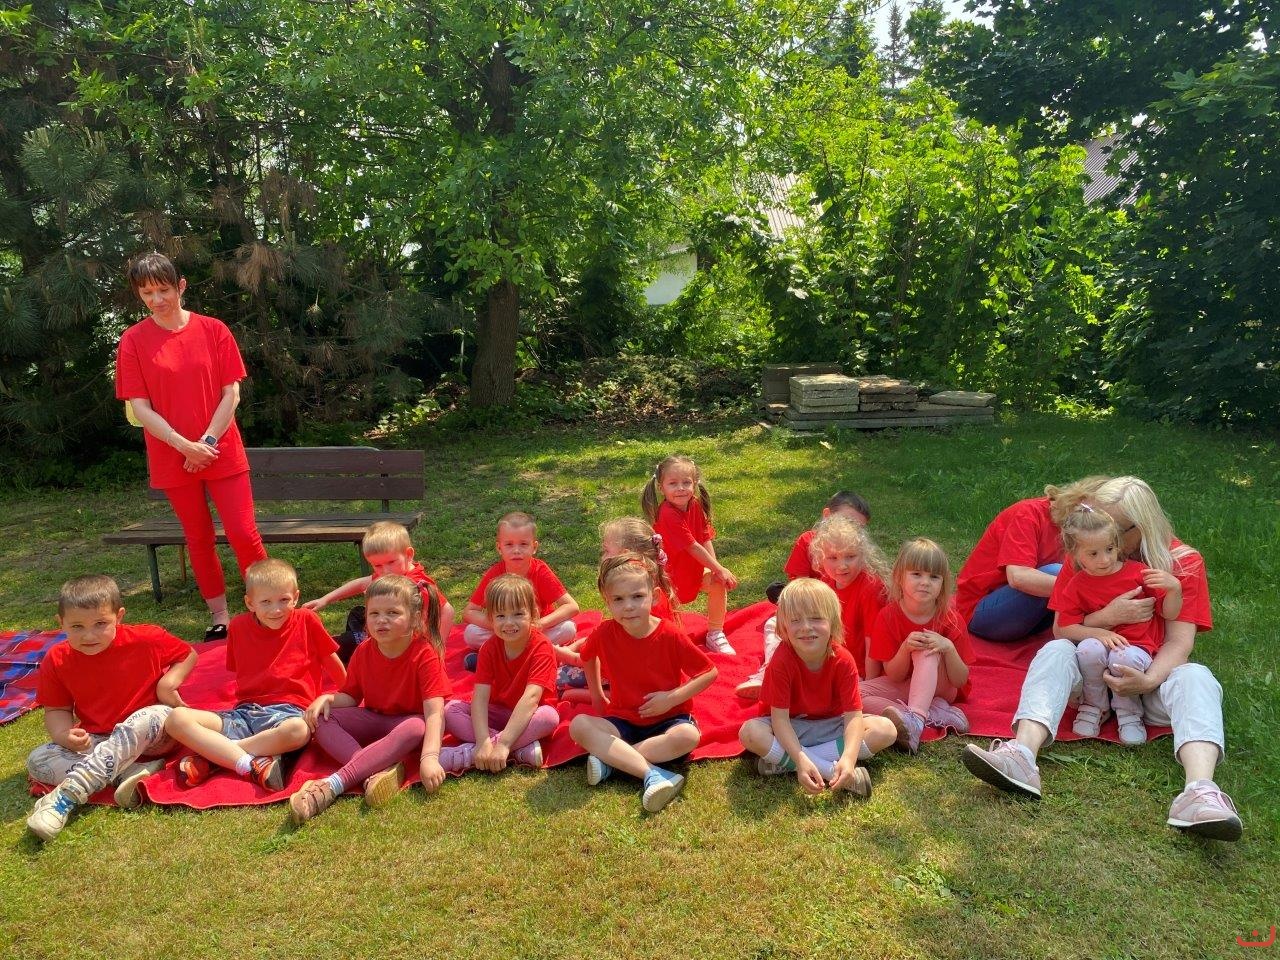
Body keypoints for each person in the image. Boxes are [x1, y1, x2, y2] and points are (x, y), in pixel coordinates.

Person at [962, 476, 1243, 841]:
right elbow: (1063, 629)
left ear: (1139, 528)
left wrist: (1147, 681)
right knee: (1055, 650)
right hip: (1089, 674)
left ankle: (1200, 792)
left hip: (1145, 676)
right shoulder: (1088, 552)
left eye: (1111, 528)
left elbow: (1179, 643)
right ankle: (1021, 756)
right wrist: (1107, 617)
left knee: (1197, 676)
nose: (1099, 534)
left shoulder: (1182, 563)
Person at [115, 252, 267, 640]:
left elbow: (231, 393)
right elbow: (140, 407)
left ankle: (268, 608)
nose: (156, 299)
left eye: (163, 290)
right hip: (173, 456)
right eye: (146, 293)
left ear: (180, 286)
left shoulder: (214, 330)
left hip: (220, 450)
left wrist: (207, 442)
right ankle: (220, 616)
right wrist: (184, 446)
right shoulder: (133, 341)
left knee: (243, 533)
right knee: (198, 538)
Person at [25, 575, 197, 841]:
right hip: (100, 740)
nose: (89, 635)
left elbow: (187, 654)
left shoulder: (146, 639)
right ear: (61, 623)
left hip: (156, 732)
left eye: (100, 624)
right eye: (77, 626)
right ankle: (126, 773)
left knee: (147, 717)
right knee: (38, 760)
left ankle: (66, 796)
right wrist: (63, 735)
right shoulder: (57, 659)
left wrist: (168, 684)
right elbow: (57, 709)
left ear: (119, 617)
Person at [165, 558, 345, 790]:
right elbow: (241, 671)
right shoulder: (238, 627)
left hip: (289, 714)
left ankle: (218, 755)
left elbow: (331, 662)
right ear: (250, 603)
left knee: (299, 731)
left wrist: (350, 694)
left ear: (296, 598)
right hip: (245, 713)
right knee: (176, 718)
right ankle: (248, 762)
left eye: (284, 600)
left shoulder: (306, 620)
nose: (276, 609)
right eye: (266, 602)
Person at [289, 575, 451, 822]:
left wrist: (429, 758)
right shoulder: (364, 650)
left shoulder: (424, 653)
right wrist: (328, 699)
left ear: (415, 618)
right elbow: (350, 698)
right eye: (374, 613)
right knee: (321, 719)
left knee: (417, 726)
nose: (381, 620)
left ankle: (332, 785)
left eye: (392, 613)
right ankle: (372, 771)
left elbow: (435, 713)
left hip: (407, 725)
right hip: (374, 718)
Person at [568, 553, 718, 813]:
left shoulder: (669, 634)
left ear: (654, 596)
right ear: (607, 601)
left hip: (669, 720)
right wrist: (596, 695)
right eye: (618, 599)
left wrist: (671, 698)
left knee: (688, 736)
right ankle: (653, 773)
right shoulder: (604, 633)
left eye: (637, 596)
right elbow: (587, 656)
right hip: (622, 720)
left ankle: (613, 761)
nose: (628, 606)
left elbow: (709, 672)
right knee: (579, 725)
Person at [738, 578, 905, 797]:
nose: (806, 627)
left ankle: (783, 764)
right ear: (784, 627)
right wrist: (801, 760)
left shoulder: (843, 660)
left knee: (886, 730)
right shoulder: (781, 661)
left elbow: (853, 717)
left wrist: (849, 758)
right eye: (795, 620)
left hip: (832, 727)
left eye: (816, 618)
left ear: (833, 623)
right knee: (750, 733)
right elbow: (780, 721)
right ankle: (828, 770)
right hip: (793, 729)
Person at [1049, 507, 1181, 744]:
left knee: (1123, 658)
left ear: (1117, 544)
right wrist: (1098, 632)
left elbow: (1169, 612)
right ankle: (1094, 705)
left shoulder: (1138, 573)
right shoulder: (1077, 584)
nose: (1105, 559)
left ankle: (1129, 713)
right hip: (1099, 648)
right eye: (1093, 553)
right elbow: (1065, 627)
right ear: (1074, 554)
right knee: (1088, 648)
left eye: (1109, 549)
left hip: (1137, 647)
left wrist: (1174, 589)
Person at [740, 491, 872, 698]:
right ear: (827, 516)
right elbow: (799, 586)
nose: (841, 564)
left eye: (858, 528)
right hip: (811, 608)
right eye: (832, 558)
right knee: (777, 622)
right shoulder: (809, 542)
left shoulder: (860, 573)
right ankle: (771, 671)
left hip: (833, 624)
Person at [955, 476, 1109, 643]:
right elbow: (1019, 578)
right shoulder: (1028, 513)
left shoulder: (1089, 532)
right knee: (1059, 573)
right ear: (1082, 502)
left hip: (1035, 616)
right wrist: (1089, 589)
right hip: (982, 612)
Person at [860, 539, 974, 753]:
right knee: (853, 695)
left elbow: (960, 681)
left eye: (934, 577)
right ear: (899, 578)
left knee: (926, 645)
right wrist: (905, 648)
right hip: (905, 686)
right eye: (917, 574)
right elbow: (894, 675)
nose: (925, 582)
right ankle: (932, 713)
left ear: (943, 584)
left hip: (942, 686)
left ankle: (916, 720)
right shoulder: (887, 616)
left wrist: (948, 648)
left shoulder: (950, 619)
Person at [440, 575, 559, 774]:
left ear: (533, 614)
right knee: (450, 710)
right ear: (491, 619)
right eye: (501, 616)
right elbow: (480, 698)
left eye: (518, 614)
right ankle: (520, 749)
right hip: (498, 712)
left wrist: (503, 744)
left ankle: (468, 755)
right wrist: (482, 741)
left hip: (531, 715)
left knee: (549, 717)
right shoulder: (488, 648)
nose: (509, 623)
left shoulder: (542, 647)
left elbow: (531, 698)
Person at [303, 520, 454, 664]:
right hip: (384, 635)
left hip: (398, 643)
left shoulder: (417, 585)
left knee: (341, 644)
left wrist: (437, 648)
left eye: (391, 562)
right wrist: (326, 599)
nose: (385, 571)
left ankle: (348, 642)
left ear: (408, 554)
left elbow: (447, 610)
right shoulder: (391, 574)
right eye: (377, 565)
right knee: (357, 614)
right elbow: (361, 583)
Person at [642, 455, 738, 654]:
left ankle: (715, 633)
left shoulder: (694, 504)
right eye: (673, 483)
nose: (680, 488)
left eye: (686, 482)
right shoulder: (667, 513)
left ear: (694, 484)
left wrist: (716, 569)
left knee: (718, 582)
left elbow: (704, 537)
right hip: (669, 576)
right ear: (661, 487)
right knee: (668, 625)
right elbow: (692, 546)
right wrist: (718, 568)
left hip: (692, 569)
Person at [462, 512, 579, 654]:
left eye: (523, 544)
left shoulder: (540, 571)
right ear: (499, 548)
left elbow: (572, 606)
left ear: (534, 547)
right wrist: (500, 626)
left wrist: (538, 624)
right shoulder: (495, 573)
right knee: (471, 634)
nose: (516, 550)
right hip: (505, 632)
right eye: (509, 544)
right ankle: (533, 652)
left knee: (568, 629)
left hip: (535, 631)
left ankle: (504, 653)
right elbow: (469, 612)